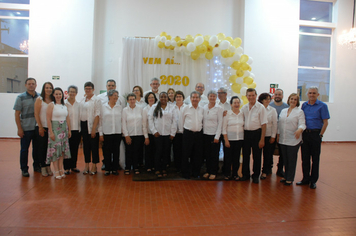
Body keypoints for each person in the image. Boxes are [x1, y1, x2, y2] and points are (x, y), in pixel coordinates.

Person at [297, 87, 330, 189]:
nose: (312, 95)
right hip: (305, 134)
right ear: (307, 94)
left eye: (314, 93)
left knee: (315, 159)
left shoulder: (322, 106)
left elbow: (325, 122)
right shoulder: (304, 105)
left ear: (318, 94)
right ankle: (305, 178)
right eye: (310, 93)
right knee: (305, 158)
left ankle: (313, 180)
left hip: (316, 135)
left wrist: (320, 135)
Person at [13, 78, 40, 177]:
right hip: (26, 128)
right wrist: (19, 128)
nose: (31, 85)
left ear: (36, 85)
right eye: (29, 84)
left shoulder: (40, 97)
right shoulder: (20, 97)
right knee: (24, 150)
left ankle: (37, 166)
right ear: (26, 85)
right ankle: (24, 169)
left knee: (37, 149)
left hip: (37, 128)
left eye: (33, 84)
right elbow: (17, 114)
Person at [277, 93, 306, 186]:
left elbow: (302, 124)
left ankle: (290, 178)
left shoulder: (299, 112)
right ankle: (286, 175)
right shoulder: (283, 111)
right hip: (283, 139)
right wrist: (278, 134)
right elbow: (279, 123)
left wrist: (299, 130)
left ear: (297, 102)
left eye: (295, 99)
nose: (293, 101)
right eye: (291, 99)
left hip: (294, 139)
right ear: (288, 100)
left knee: (291, 160)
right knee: (285, 159)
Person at [97, 79, 126, 170]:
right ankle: (106, 165)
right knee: (106, 150)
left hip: (117, 131)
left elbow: (123, 117)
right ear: (106, 86)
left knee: (116, 150)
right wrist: (100, 133)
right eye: (109, 85)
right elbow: (100, 119)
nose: (111, 87)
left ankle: (115, 166)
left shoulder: (120, 102)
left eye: (112, 85)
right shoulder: (100, 99)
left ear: (115, 86)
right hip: (107, 131)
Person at [240, 88, 267, 183]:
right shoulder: (244, 108)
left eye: (253, 95)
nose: (251, 97)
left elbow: (264, 124)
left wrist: (262, 139)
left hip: (257, 134)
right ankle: (245, 174)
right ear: (246, 96)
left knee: (257, 156)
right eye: (249, 95)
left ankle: (256, 175)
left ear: (256, 96)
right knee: (246, 155)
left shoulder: (261, 107)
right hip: (246, 134)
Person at [148, 92, 177, 177]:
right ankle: (157, 169)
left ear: (167, 98)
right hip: (158, 134)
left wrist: (172, 133)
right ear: (159, 98)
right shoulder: (154, 107)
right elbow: (150, 120)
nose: (163, 98)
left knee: (166, 152)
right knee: (158, 152)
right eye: (161, 97)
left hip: (168, 134)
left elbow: (175, 121)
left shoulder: (172, 107)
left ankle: (164, 169)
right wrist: (154, 131)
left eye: (165, 97)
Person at [46, 87, 71, 180]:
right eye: (56, 94)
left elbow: (67, 118)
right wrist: (51, 132)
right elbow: (48, 119)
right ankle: (56, 170)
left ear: (62, 95)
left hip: (64, 129)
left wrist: (69, 130)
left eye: (59, 94)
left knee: (62, 151)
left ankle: (61, 169)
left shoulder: (65, 106)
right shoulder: (51, 105)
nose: (58, 95)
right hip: (55, 130)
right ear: (53, 95)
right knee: (55, 151)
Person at [122, 93, 149, 175]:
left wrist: (146, 136)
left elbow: (144, 123)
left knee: (137, 152)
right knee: (128, 152)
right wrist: (126, 135)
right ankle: (127, 167)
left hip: (139, 134)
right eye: (130, 99)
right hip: (128, 135)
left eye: (133, 99)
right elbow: (123, 123)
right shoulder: (125, 110)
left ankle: (136, 167)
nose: (132, 101)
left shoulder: (141, 109)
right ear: (127, 101)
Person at [79, 82, 101, 175]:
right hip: (83, 125)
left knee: (94, 147)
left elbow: (97, 114)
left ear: (93, 89)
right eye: (86, 88)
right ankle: (87, 164)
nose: (87, 90)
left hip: (92, 125)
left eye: (89, 88)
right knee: (86, 147)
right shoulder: (82, 100)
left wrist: (93, 129)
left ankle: (94, 165)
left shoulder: (96, 100)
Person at [181, 91, 204, 179]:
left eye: (196, 97)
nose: (195, 99)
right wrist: (184, 132)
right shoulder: (185, 108)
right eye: (193, 97)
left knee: (197, 154)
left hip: (198, 134)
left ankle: (196, 172)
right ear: (190, 99)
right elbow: (181, 122)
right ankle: (185, 173)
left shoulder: (202, 109)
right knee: (186, 154)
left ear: (200, 99)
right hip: (188, 134)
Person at [202, 90, 223, 180]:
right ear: (208, 97)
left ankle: (213, 172)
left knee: (214, 154)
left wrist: (217, 136)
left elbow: (220, 123)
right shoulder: (204, 107)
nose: (212, 98)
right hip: (205, 134)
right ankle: (208, 170)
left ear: (216, 98)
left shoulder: (219, 108)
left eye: (214, 96)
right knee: (207, 154)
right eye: (210, 96)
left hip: (214, 135)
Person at [34, 82, 54, 177]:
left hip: (51, 128)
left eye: (50, 88)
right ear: (43, 89)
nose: (48, 89)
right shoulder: (39, 99)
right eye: (47, 88)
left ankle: (48, 165)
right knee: (41, 148)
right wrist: (40, 127)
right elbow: (36, 114)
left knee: (49, 149)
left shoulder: (53, 100)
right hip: (42, 127)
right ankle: (42, 166)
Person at [222, 96, 244, 180]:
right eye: (234, 103)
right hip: (229, 140)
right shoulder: (227, 114)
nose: (236, 104)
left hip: (239, 139)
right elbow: (224, 128)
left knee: (236, 158)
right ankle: (227, 174)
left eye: (238, 102)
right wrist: (226, 140)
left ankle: (235, 174)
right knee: (228, 158)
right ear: (231, 104)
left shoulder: (242, 114)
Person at [269, 88, 289, 177]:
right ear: (274, 96)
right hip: (270, 133)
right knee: (269, 152)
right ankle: (268, 168)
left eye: (279, 95)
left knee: (282, 153)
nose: (277, 96)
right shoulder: (269, 105)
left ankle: (280, 169)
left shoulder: (286, 107)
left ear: (282, 96)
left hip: (282, 133)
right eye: (276, 94)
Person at [258, 93, 278, 180]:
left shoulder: (272, 110)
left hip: (269, 135)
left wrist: (273, 136)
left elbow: (275, 124)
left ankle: (265, 171)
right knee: (258, 155)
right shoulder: (258, 109)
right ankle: (256, 171)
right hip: (259, 135)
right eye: (265, 99)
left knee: (268, 155)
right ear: (261, 100)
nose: (267, 101)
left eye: (269, 99)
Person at [64, 85, 81, 175]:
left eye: (74, 91)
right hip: (67, 130)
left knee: (75, 149)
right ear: (67, 92)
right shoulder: (64, 104)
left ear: (76, 93)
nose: (72, 93)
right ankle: (66, 167)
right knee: (67, 149)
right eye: (70, 91)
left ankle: (73, 166)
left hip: (77, 130)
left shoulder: (79, 105)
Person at [142, 92, 158, 172]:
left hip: (157, 134)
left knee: (156, 151)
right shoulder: (145, 109)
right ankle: (148, 166)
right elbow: (144, 124)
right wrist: (146, 137)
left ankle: (155, 166)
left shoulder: (158, 108)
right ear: (147, 100)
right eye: (149, 98)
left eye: (152, 97)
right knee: (148, 151)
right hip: (149, 134)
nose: (151, 99)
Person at [172, 91, 186, 172]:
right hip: (175, 133)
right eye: (177, 97)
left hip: (185, 133)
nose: (178, 98)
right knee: (176, 151)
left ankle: (184, 167)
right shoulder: (172, 107)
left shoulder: (187, 107)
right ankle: (177, 167)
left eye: (180, 96)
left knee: (184, 151)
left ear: (183, 97)